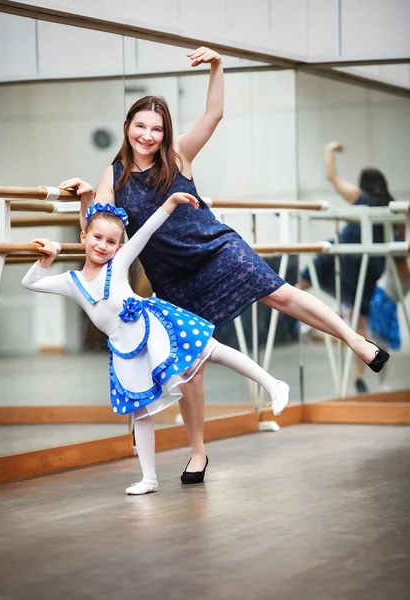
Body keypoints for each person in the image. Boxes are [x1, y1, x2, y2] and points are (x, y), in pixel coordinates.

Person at [59, 48, 389, 485]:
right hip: (172, 275)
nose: (148, 135)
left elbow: (213, 114)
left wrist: (217, 66)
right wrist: (84, 195)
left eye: (156, 128)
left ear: (165, 133)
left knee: (280, 294)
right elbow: (98, 230)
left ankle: (356, 341)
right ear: (127, 127)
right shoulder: (114, 174)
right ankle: (197, 453)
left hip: (215, 248)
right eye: (141, 126)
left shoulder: (177, 156)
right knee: (190, 365)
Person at [22, 198, 290, 494]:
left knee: (211, 351)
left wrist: (172, 202)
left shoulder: (119, 263)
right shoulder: (70, 281)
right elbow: (31, 282)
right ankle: (148, 478)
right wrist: (48, 257)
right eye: (97, 237)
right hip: (126, 348)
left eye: (111, 241)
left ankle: (274, 384)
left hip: (157, 326)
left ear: (119, 247)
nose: (102, 246)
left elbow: (147, 231)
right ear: (83, 237)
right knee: (141, 411)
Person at [298, 141, 394, 394]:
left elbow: (332, 176)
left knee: (311, 273)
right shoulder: (389, 205)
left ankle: (289, 305)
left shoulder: (360, 198)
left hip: (346, 258)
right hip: (372, 266)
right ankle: (361, 372)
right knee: (360, 319)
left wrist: (329, 149)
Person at [367, 227, 410, 390]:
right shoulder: (399, 246)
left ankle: (382, 382)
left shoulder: (401, 244)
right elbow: (403, 274)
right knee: (381, 343)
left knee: (383, 343)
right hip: (384, 298)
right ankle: (381, 383)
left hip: (387, 299)